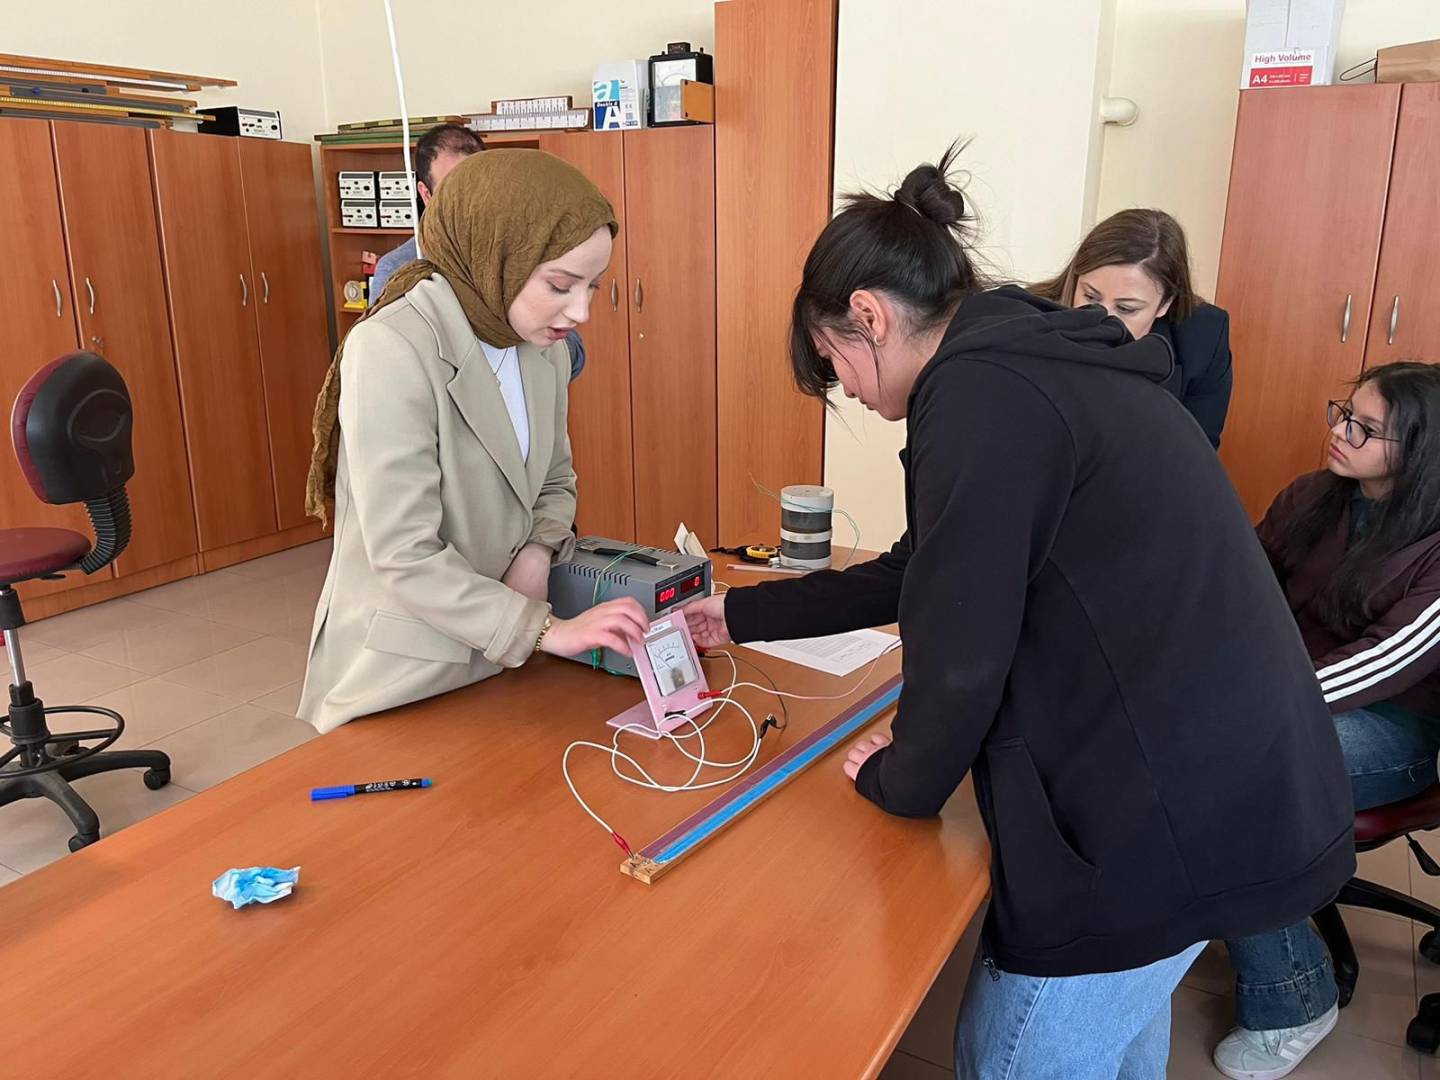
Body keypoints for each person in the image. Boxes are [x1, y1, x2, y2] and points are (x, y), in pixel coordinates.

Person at [681, 147, 1354, 1078]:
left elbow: (962, 650)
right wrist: (739, 615)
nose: (856, 397)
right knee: (1120, 1029)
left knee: (1010, 1055)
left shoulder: (981, 397)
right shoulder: (1029, 361)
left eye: (837, 364)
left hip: (1164, 807)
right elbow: (924, 569)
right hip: (1225, 769)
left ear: (869, 316)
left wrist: (903, 778)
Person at [298, 150, 647, 734]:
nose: (581, 311)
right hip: (407, 669)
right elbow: (404, 552)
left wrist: (536, 553)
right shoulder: (393, 346)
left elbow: (555, 479)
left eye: (592, 286)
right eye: (560, 285)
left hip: (504, 650)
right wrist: (542, 629)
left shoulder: (541, 346)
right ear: (495, 256)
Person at [1213, 361, 1440, 1080]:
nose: (1340, 432)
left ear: (1420, 451)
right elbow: (1238, 580)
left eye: (1366, 429)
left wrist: (1250, 701)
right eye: (1344, 413)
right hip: (1287, 691)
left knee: (1236, 779)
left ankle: (1295, 998)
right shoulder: (1315, 496)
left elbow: (1379, 665)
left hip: (1393, 725)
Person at [371, 124, 587, 382]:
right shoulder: (397, 269)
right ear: (426, 194)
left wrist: (530, 336)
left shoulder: (520, 253)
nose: (472, 203)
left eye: (479, 188)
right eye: (455, 190)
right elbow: (384, 369)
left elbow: (575, 354)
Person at [1032, 208, 1232, 448]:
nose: (1102, 319)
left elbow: (1196, 456)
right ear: (1075, 279)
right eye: (1090, 297)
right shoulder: (1027, 319)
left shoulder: (1203, 338)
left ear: (1165, 304)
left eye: (1126, 308)